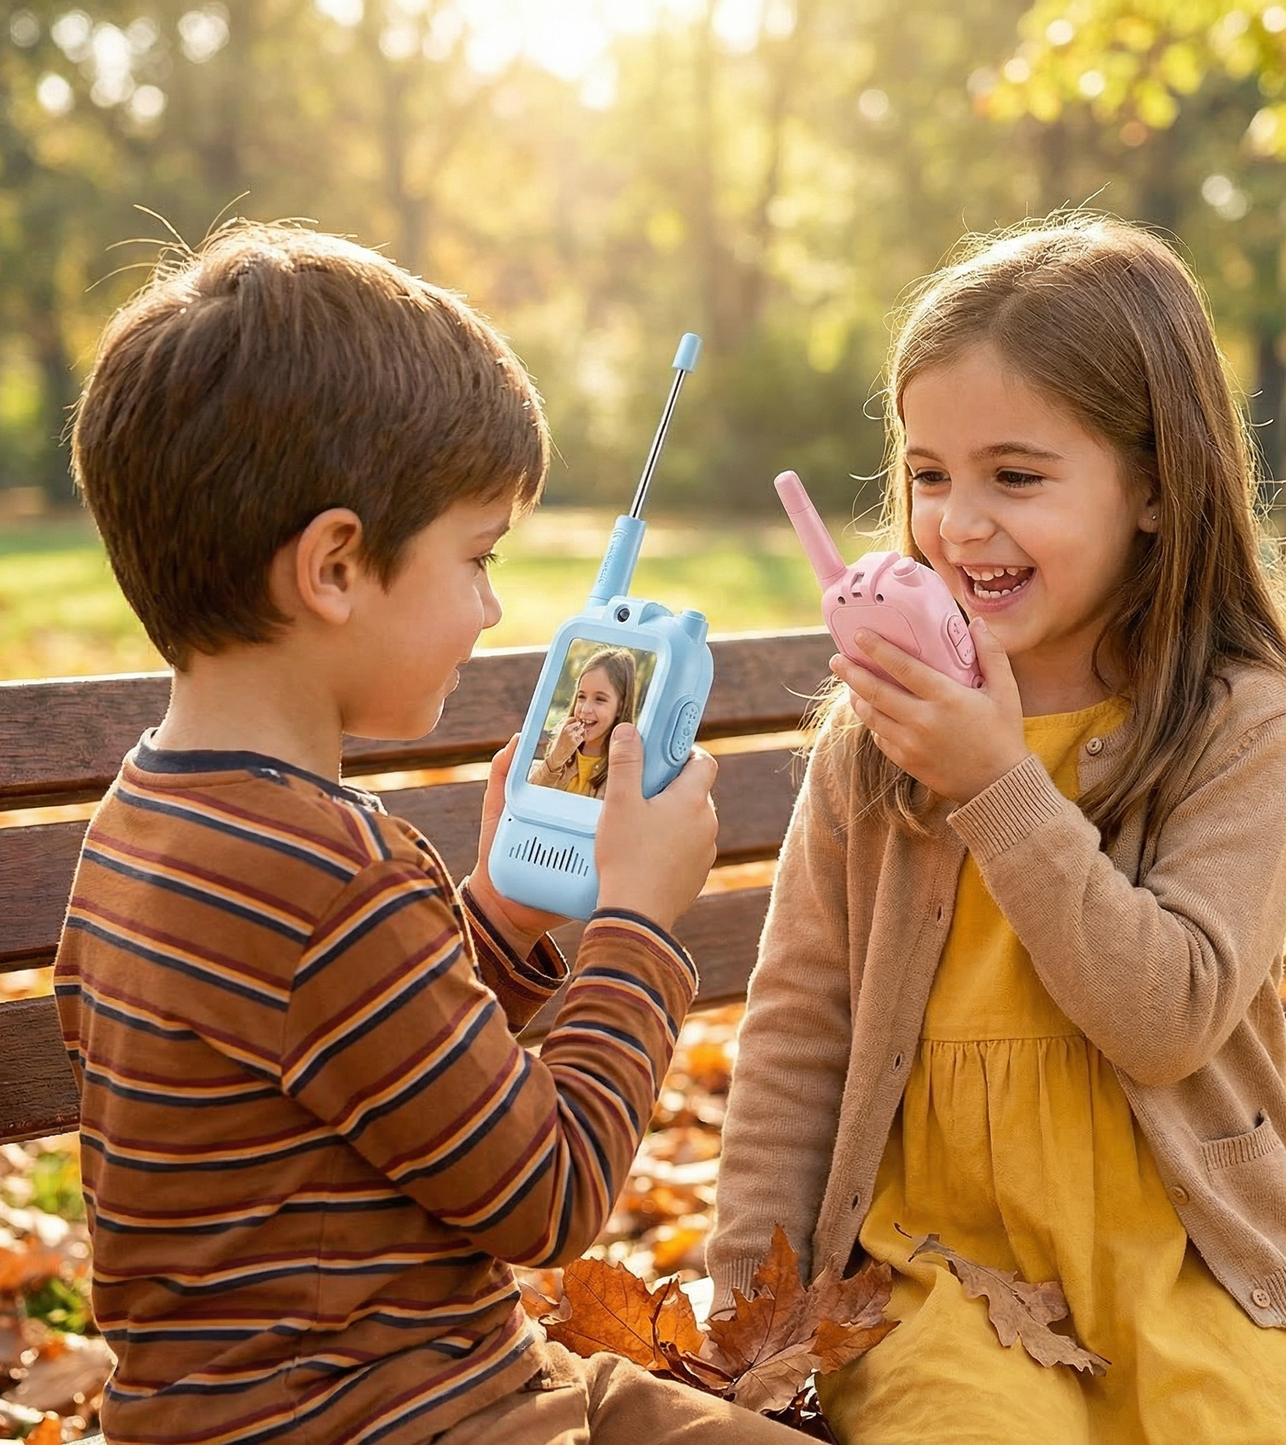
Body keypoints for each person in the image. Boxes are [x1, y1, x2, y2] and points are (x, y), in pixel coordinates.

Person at [55, 223, 799, 1445]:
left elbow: (351, 1078)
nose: (492, 606)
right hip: (406, 1413)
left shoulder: (143, 822)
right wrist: (634, 929)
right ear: (337, 565)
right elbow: (548, 1194)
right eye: (476, 555)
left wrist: (497, 927)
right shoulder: (334, 874)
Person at [706, 216, 1286, 1444]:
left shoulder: (1240, 725)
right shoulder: (878, 736)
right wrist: (747, 1309)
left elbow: (1163, 1014)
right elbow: (799, 1026)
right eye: (927, 474)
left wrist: (999, 783)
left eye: (1014, 477)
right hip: (934, 1264)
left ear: (1156, 490)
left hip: (1179, 1253)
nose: (957, 524)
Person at [529, 648, 637, 798]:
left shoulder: (620, 768)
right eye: (581, 696)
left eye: (600, 699)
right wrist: (556, 758)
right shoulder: (562, 752)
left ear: (621, 706)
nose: (585, 709)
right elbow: (529, 799)